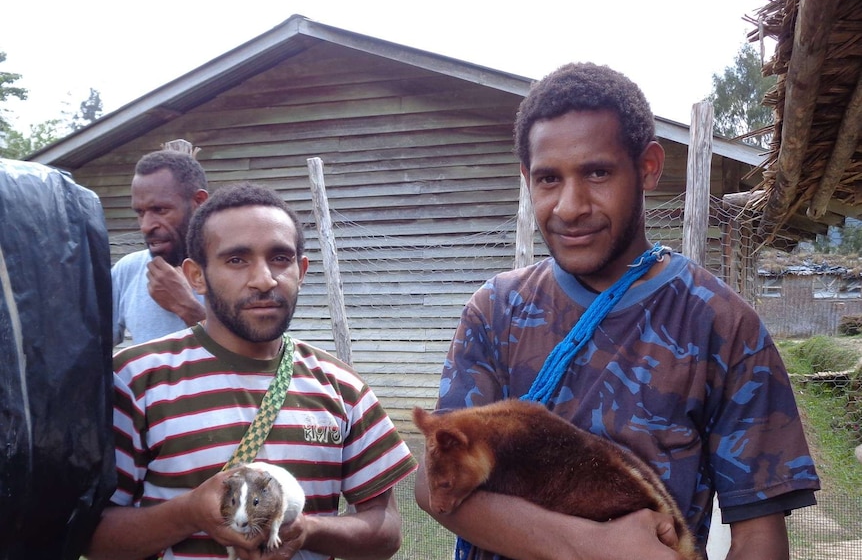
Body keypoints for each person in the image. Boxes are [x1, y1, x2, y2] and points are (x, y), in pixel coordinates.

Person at [415, 62, 820, 560]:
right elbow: (434, 484)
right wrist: (594, 547)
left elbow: (759, 538)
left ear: (648, 167)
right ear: (527, 179)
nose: (570, 206)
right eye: (548, 179)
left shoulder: (722, 325)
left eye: (597, 172)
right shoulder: (497, 310)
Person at [89, 182, 417, 560]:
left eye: (280, 258)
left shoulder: (343, 388)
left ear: (302, 269)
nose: (264, 279)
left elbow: (386, 531)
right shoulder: (134, 380)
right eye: (236, 260)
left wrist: (308, 530)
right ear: (196, 276)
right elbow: (93, 538)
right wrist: (190, 512)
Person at [111, 149, 209, 345]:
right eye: (140, 212)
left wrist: (187, 307)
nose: (146, 225)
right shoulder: (128, 270)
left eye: (160, 210)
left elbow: (259, 358)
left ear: (199, 202)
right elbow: (91, 351)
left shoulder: (238, 267)